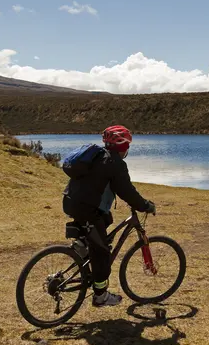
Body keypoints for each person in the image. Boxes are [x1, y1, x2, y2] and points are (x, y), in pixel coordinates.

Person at [62, 125, 156, 307]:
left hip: (70, 202)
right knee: (102, 252)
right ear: (123, 146)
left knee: (106, 219)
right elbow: (127, 191)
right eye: (127, 145)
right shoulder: (115, 164)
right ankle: (100, 296)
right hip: (86, 209)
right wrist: (145, 205)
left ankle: (82, 245)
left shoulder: (97, 156)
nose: (128, 149)